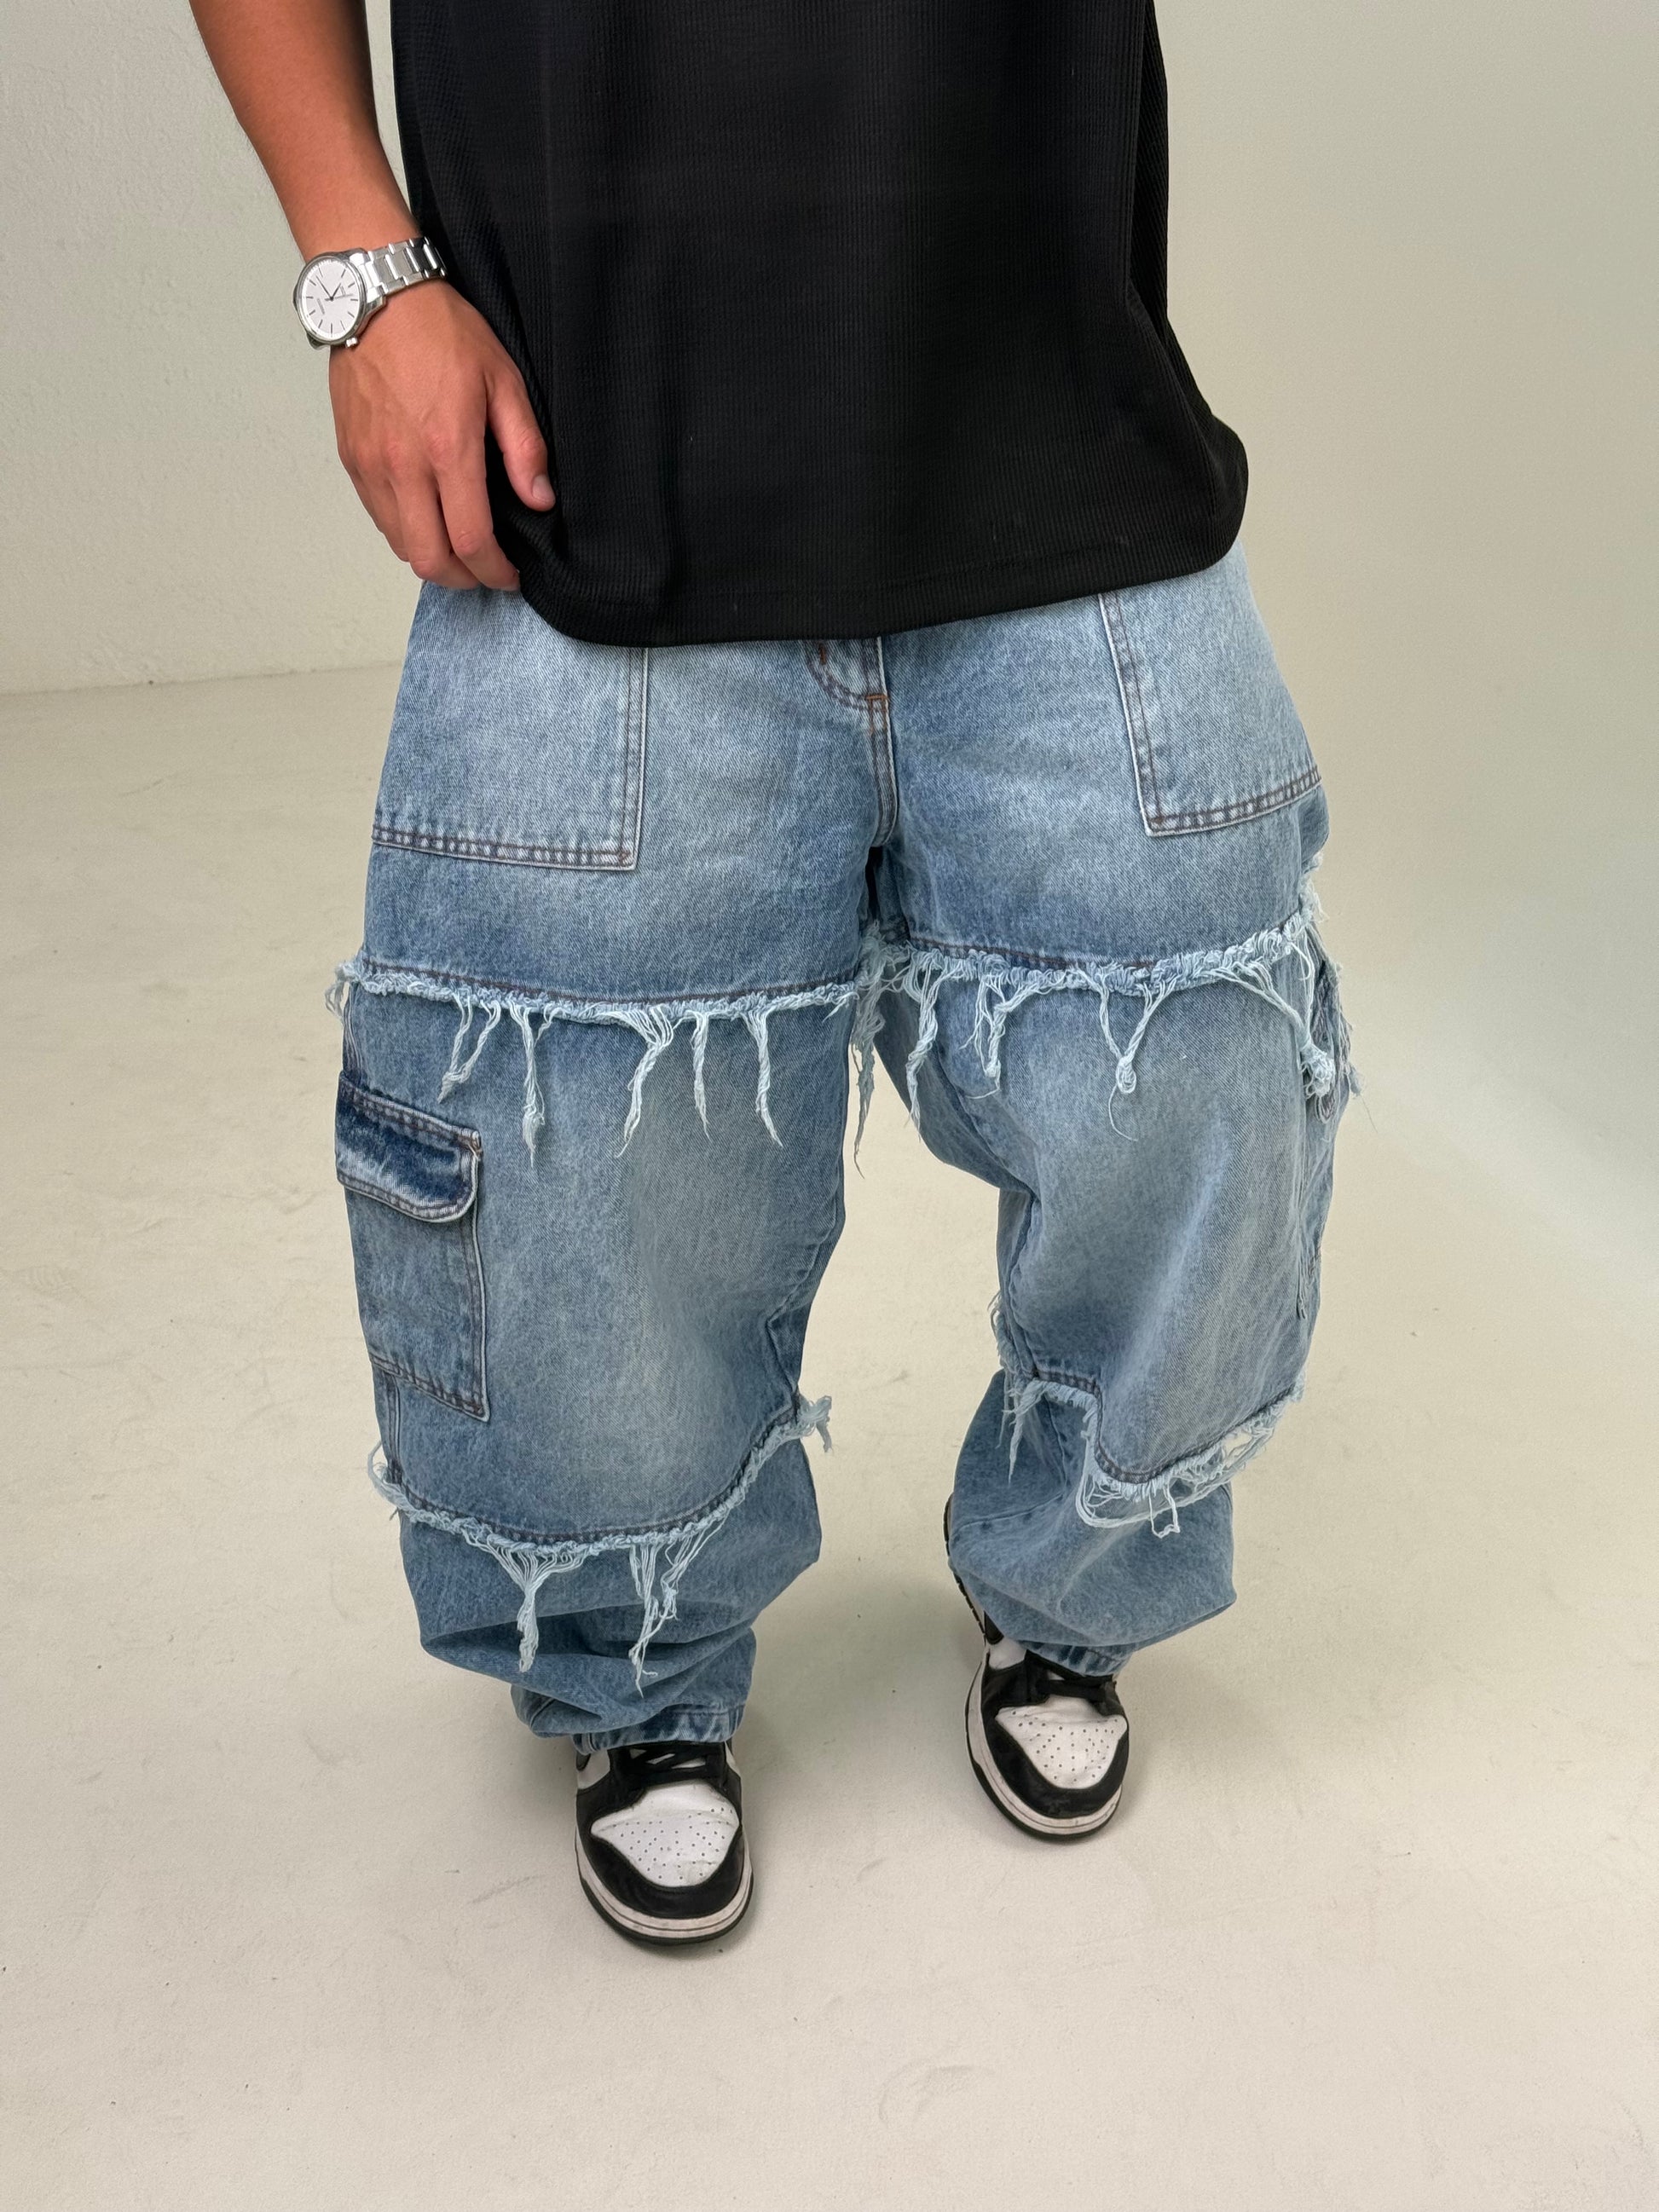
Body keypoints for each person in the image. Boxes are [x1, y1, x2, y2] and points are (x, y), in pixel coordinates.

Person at [192, 0, 1353, 1947]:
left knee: (1203, 1074)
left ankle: (1071, 1591)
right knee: (583, 1186)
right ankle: (637, 1663)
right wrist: (358, 271)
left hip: (1057, 424)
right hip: (592, 467)